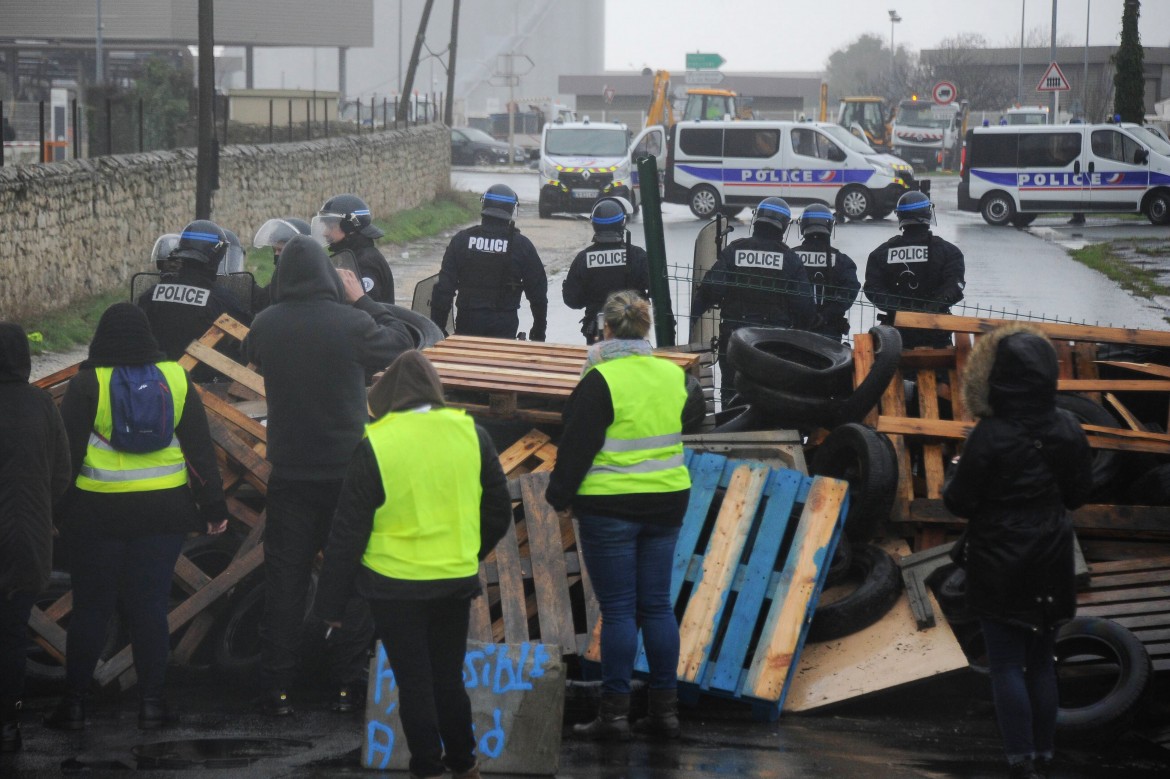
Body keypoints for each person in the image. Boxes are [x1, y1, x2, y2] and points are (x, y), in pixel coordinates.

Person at [317, 351, 512, 779]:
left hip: (393, 586)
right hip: (453, 581)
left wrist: (331, 604)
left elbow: (348, 530)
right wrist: (468, 549)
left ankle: (427, 767)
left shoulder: (376, 442)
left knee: (415, 683)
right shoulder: (471, 433)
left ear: (386, 395)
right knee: (448, 678)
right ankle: (465, 764)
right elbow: (499, 508)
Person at [242, 235, 414, 716]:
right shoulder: (353, 323)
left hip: (291, 473)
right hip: (348, 473)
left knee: (286, 581)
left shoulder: (266, 324)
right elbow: (403, 342)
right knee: (353, 577)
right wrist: (362, 298)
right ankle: (346, 686)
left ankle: (276, 690)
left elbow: (248, 351)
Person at [43, 304, 229, 732]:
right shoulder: (177, 378)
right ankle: (152, 705)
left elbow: (65, 457)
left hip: (97, 513)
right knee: (149, 608)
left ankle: (73, 706)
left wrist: (58, 509)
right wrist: (213, 507)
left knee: (91, 608)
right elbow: (200, 452)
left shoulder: (88, 382)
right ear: (147, 336)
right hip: (163, 513)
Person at [943, 325, 1093, 779]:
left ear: (998, 375)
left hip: (998, 557)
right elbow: (1079, 492)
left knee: (1006, 663)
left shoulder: (990, 433)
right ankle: (1044, 755)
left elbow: (960, 502)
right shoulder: (1067, 426)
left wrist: (958, 480)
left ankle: (1020, 759)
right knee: (1042, 661)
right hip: (1050, 553)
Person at [545, 291, 692, 742]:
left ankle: (613, 718)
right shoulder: (673, 375)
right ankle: (665, 714)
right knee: (657, 606)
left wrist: (558, 495)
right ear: (645, 330)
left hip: (610, 507)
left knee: (620, 610)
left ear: (605, 331)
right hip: (667, 500)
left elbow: (576, 445)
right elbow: (695, 416)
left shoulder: (599, 380)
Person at [0, 323, 71, 752]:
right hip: (26, 537)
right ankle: (8, 726)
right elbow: (61, 473)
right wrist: (38, 510)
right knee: (11, 634)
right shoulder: (41, 404)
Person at [691, 196, 814, 402]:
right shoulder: (790, 259)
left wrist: (694, 316)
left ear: (757, 219)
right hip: (773, 341)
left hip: (735, 337)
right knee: (770, 393)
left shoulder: (734, 251)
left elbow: (711, 289)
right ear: (783, 226)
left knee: (731, 391)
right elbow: (803, 305)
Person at [430, 184, 548, 341]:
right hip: (504, 326)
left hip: (468, 324)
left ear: (484, 205)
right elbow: (538, 293)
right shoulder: (521, 246)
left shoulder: (461, 240)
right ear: (511, 210)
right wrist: (539, 331)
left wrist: (437, 332)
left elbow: (443, 289)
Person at [136, 219, 252, 379]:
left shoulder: (150, 295)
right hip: (206, 393)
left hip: (155, 386)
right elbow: (248, 341)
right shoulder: (221, 301)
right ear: (217, 256)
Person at [862, 190, 966, 349]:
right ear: (928, 214)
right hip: (936, 333)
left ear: (900, 217)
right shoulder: (948, 252)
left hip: (895, 335)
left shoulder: (881, 253)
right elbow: (954, 285)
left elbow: (873, 288)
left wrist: (899, 311)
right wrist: (930, 310)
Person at [563, 197, 650, 344]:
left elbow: (572, 300)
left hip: (596, 330)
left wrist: (592, 299)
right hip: (632, 326)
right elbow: (655, 290)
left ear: (594, 224)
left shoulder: (583, 259)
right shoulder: (638, 256)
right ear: (622, 223)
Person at [792, 204, 860, 342]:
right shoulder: (842, 260)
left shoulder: (791, 256)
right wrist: (825, 317)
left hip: (795, 328)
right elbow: (849, 291)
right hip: (830, 331)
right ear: (829, 227)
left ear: (803, 226)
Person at [312, 194, 395, 304]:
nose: (325, 233)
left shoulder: (365, 262)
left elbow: (369, 309)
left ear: (349, 227)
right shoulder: (349, 255)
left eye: (331, 226)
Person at [251, 217, 311, 312]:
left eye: (281, 250)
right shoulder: (275, 286)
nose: (276, 254)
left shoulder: (310, 288)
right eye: (275, 250)